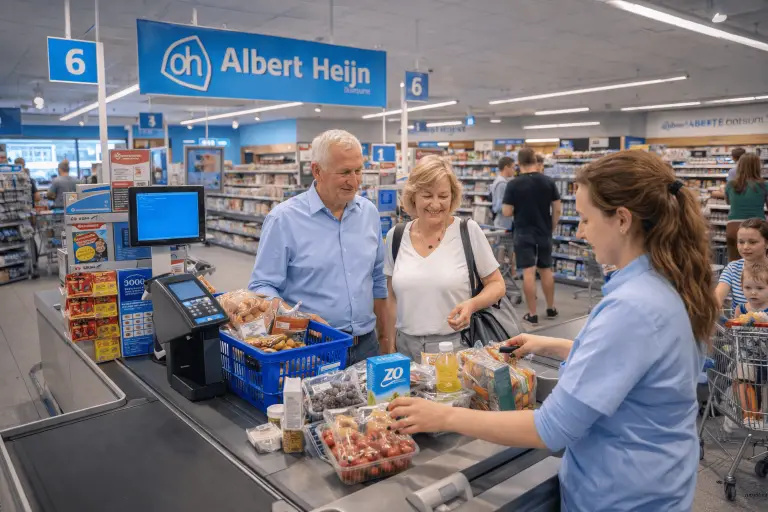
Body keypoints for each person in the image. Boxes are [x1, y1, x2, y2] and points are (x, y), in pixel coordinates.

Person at [387, 150, 717, 511]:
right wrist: (551, 345)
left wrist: (444, 415)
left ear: (622, 220)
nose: (580, 231)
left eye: (587, 219)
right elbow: (636, 364)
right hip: (659, 481)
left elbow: (552, 428)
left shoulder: (633, 307)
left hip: (622, 494)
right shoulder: (665, 283)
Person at [248, 130, 389, 363]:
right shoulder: (283, 219)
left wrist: (385, 338)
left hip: (366, 345)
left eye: (358, 170)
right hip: (312, 347)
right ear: (317, 171)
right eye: (344, 172)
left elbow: (377, 279)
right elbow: (261, 286)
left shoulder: (369, 213)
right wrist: (297, 317)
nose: (354, 181)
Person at [383, 156, 505, 360]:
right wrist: (389, 343)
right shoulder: (396, 236)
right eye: (427, 195)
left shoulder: (468, 231)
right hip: (405, 349)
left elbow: (497, 284)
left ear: (452, 197)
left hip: (456, 346)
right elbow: (391, 296)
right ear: (413, 196)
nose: (435, 204)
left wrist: (472, 304)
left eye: (443, 196)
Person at [502, 147, 561, 324]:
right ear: (536, 161)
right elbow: (557, 209)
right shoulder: (548, 182)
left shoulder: (513, 184)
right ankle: (550, 308)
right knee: (546, 269)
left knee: (528, 271)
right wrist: (551, 226)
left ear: (518, 163)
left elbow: (506, 211)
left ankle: (532, 313)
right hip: (544, 232)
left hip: (523, 232)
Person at [715, 218, 768, 310]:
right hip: (738, 319)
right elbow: (718, 297)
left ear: (766, 243)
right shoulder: (733, 268)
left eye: (752, 242)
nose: (745, 247)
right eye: (741, 242)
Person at [724, 153, 768, 261]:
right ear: (757, 167)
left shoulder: (730, 184)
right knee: (758, 264)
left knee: (733, 263)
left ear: (739, 166)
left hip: (733, 226)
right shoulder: (764, 185)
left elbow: (728, 202)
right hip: (757, 227)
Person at [14, 157, 40, 278]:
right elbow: (37, 197)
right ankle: (33, 263)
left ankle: (21, 262)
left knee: (18, 238)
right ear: (24, 165)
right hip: (29, 214)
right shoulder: (30, 180)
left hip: (14, 216)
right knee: (30, 238)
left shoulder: (12, 179)